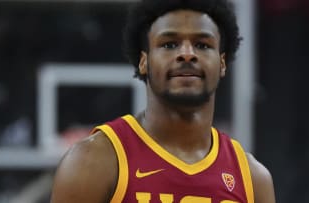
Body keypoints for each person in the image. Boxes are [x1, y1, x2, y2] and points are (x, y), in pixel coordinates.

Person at [51, 0, 276, 202]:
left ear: (222, 63)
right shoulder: (94, 162)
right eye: (169, 44)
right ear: (143, 61)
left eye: (202, 45)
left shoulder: (252, 179)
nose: (187, 54)